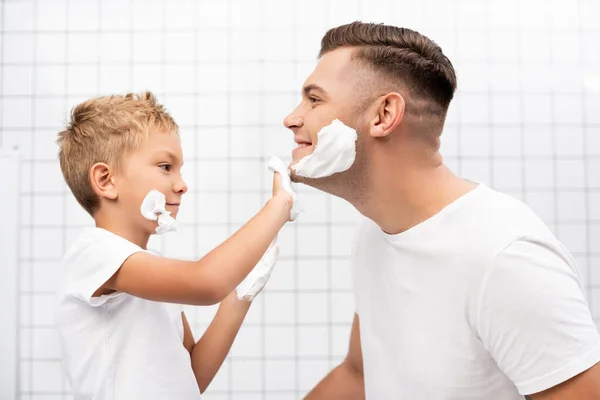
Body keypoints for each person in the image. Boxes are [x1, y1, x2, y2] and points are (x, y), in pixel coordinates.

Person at [284, 21, 600, 399]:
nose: (292, 118)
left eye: (314, 99)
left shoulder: (505, 258)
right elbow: (357, 374)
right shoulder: (377, 233)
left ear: (383, 115)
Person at [54, 92, 292, 399]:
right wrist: (278, 206)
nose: (182, 184)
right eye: (166, 167)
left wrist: (239, 295)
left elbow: (192, 376)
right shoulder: (95, 253)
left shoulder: (149, 265)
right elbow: (205, 282)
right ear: (106, 180)